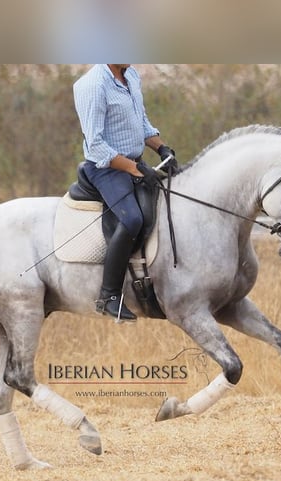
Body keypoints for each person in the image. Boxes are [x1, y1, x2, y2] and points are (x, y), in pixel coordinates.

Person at [73, 64, 178, 322]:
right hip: (106, 169)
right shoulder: (94, 85)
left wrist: (162, 148)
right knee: (132, 219)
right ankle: (109, 296)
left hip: (134, 162)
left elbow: (141, 123)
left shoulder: (130, 75)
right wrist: (136, 170)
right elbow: (95, 146)